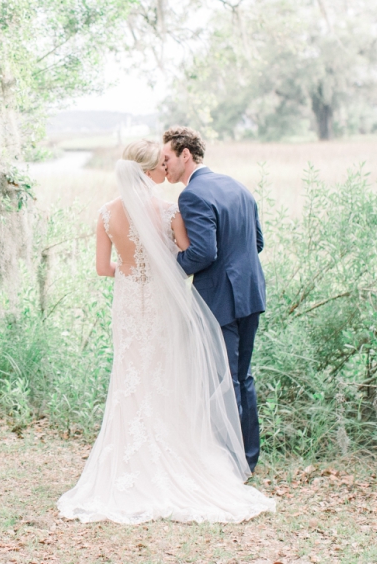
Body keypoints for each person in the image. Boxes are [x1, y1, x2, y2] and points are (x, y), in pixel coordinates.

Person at [57, 139, 273, 524]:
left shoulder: (106, 213)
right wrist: (161, 269)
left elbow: (103, 269)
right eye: (159, 163)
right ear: (147, 171)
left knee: (131, 378)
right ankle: (230, 457)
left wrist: (133, 270)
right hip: (169, 305)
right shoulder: (172, 208)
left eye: (167, 160)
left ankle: (130, 461)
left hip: (129, 308)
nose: (165, 169)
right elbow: (186, 257)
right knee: (176, 377)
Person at [162, 126, 265, 472]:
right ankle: (247, 459)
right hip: (251, 293)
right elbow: (257, 243)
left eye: (167, 159)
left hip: (221, 299)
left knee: (224, 379)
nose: (164, 167)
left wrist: (170, 266)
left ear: (185, 154)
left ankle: (231, 463)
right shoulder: (239, 187)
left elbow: (203, 253)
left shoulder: (191, 196)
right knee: (242, 377)